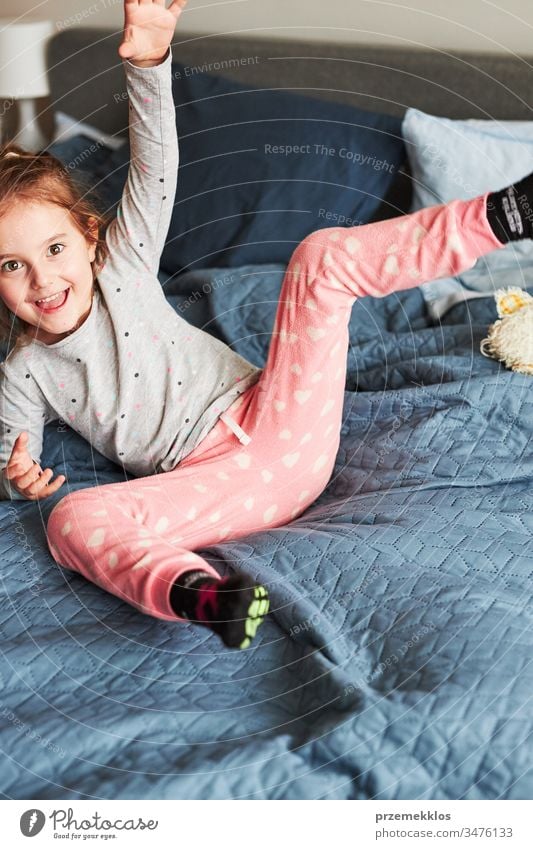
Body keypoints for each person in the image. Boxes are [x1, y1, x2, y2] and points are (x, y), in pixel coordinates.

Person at [0, 1, 529, 650]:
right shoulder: (24, 371)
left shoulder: (125, 265)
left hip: (281, 424)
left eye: (53, 250)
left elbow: (154, 168)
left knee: (320, 257)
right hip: (215, 486)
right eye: (11, 265)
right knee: (69, 518)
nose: (42, 280)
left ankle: (497, 215)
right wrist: (18, 476)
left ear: (89, 237)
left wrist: (147, 63)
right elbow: (12, 455)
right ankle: (200, 594)